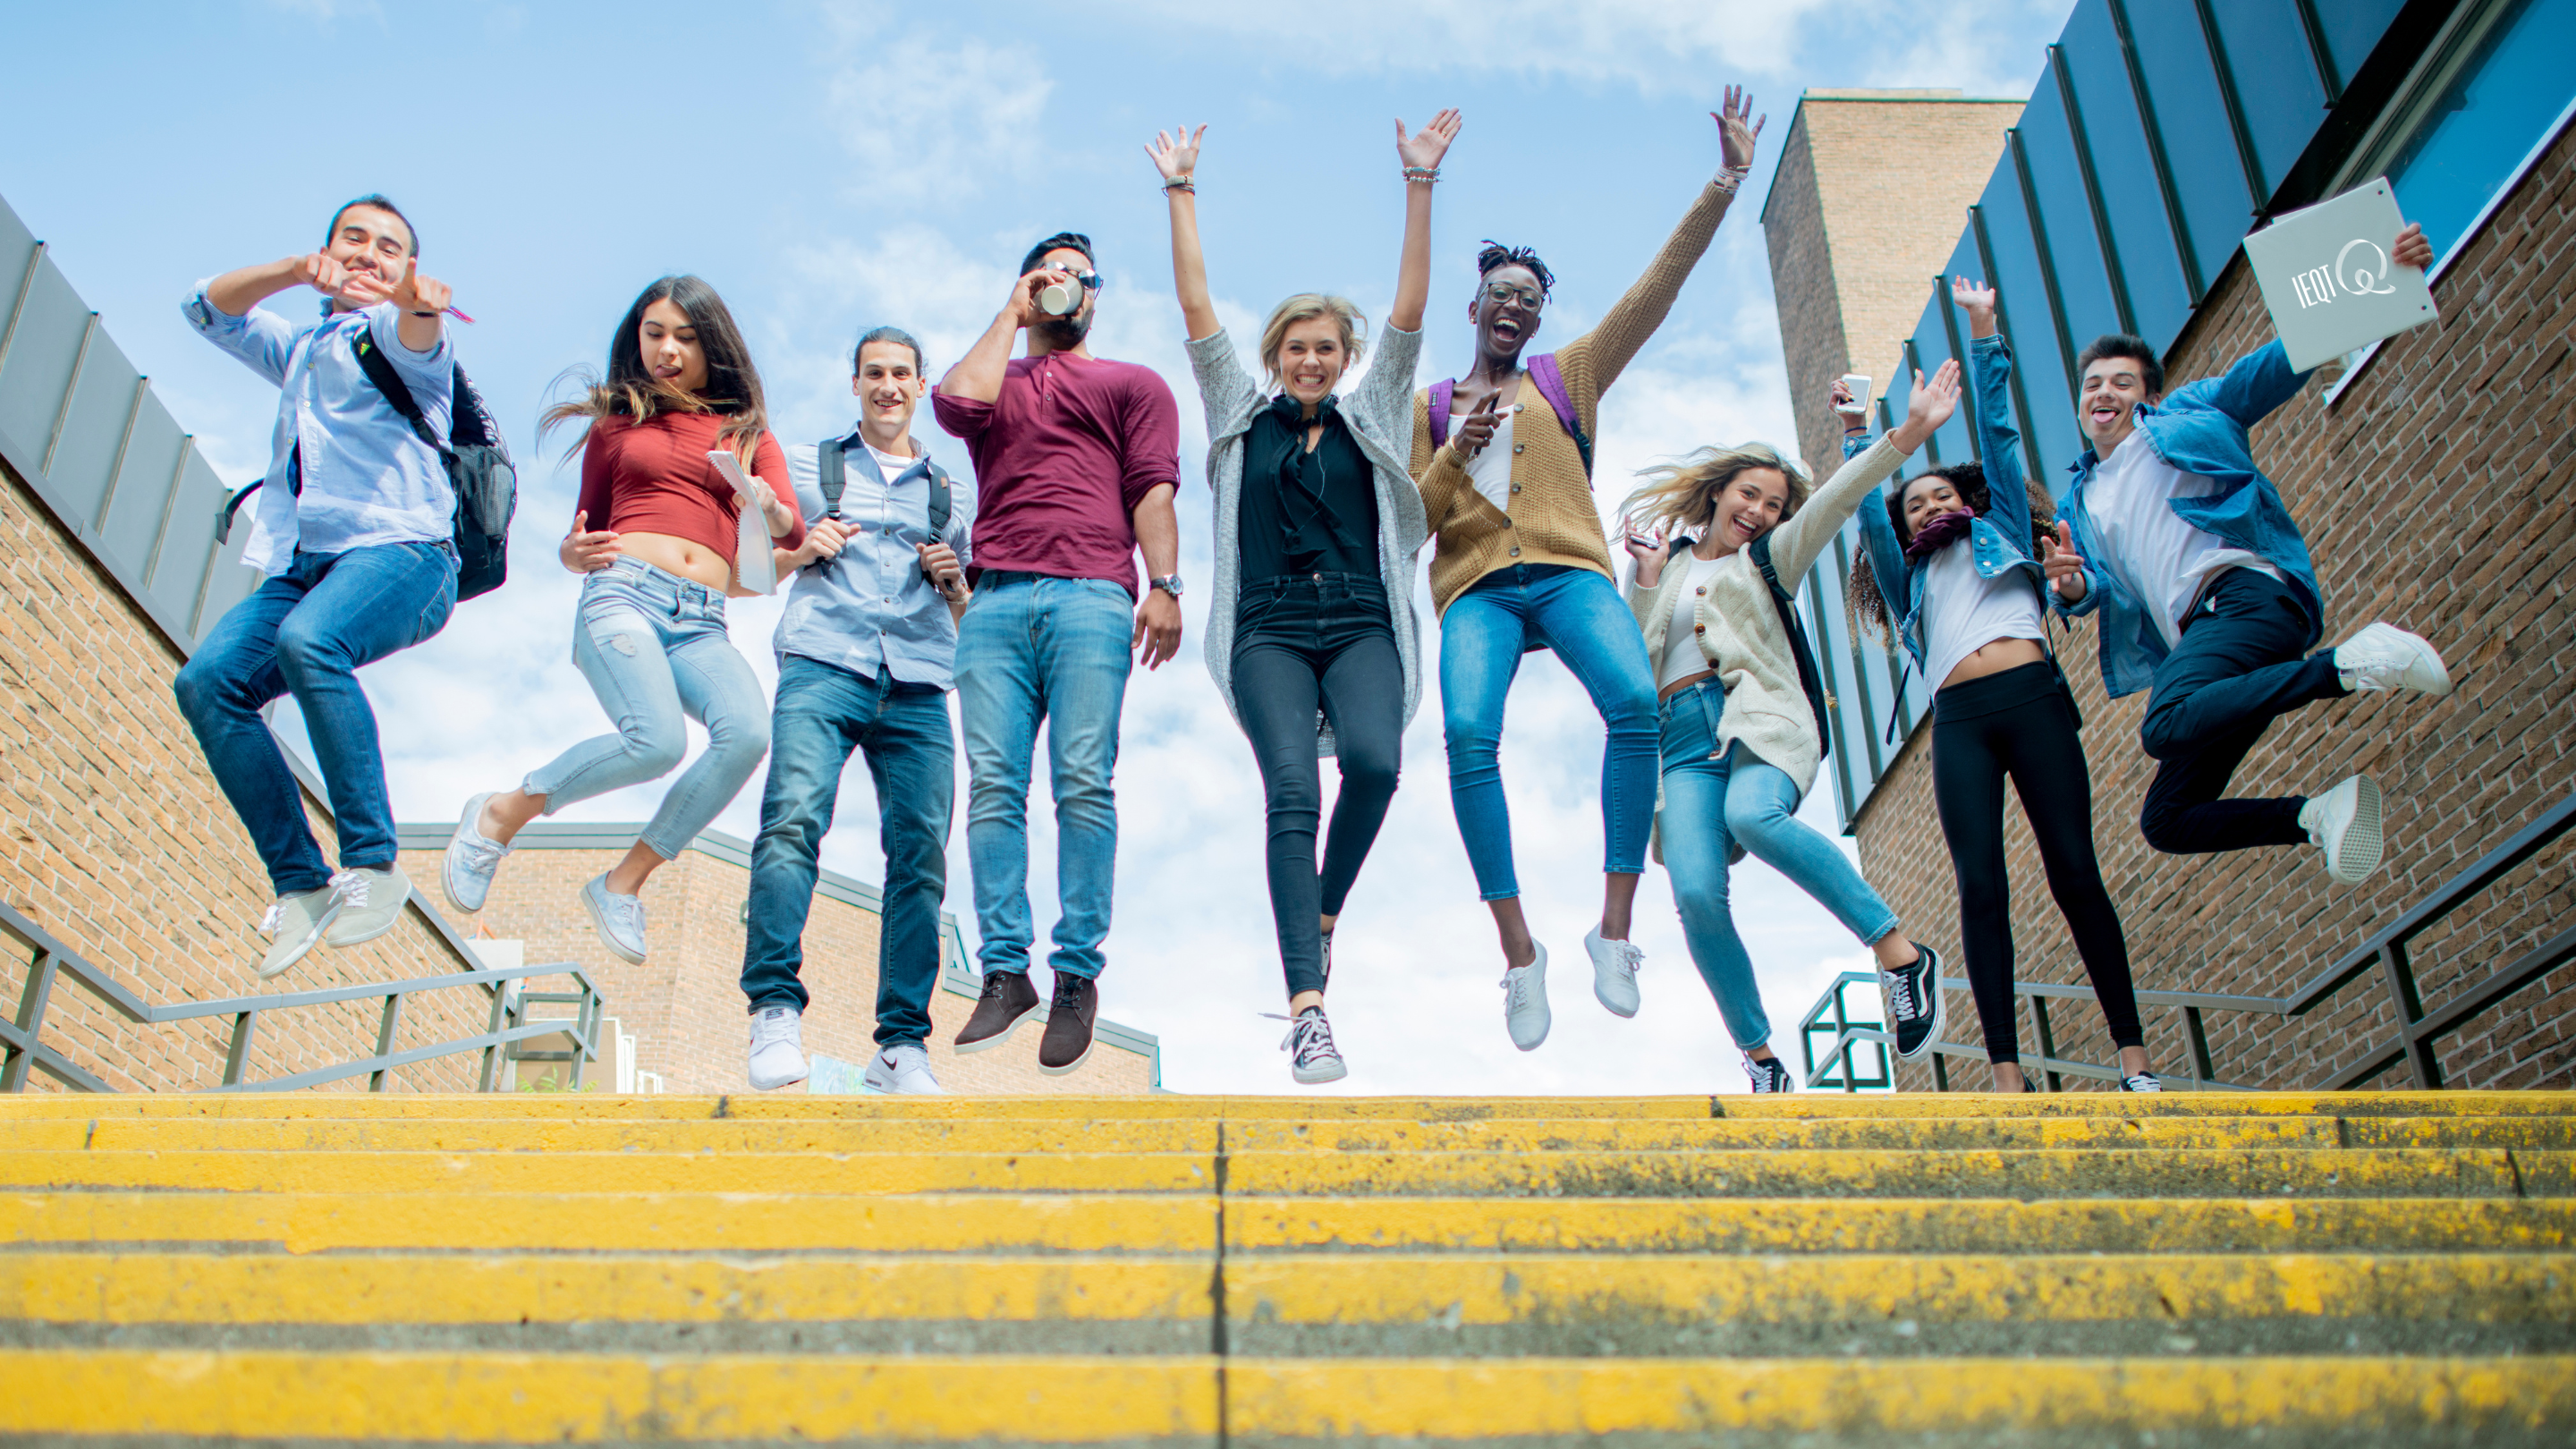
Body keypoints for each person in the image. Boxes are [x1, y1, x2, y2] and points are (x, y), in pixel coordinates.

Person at [1411, 89, 1764, 1053]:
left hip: (1569, 574)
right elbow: (1411, 520)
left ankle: (1613, 932)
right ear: (1473, 306)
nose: (1516, 307)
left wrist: (1725, 181)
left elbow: (1658, 289)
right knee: (1470, 739)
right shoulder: (1433, 402)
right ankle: (1520, 954)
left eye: (1531, 298)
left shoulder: (1571, 375)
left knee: (1634, 705)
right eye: (1503, 294)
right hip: (1478, 590)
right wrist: (1456, 451)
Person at [1150, 109, 1459, 1085]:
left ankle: (1320, 912)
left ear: (1344, 355)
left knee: (1373, 765)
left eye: (1328, 347)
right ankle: (1308, 1009)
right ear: (1277, 351)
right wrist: (1181, 193)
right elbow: (1195, 308)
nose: (1312, 360)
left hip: (1362, 618)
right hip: (1269, 630)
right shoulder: (1241, 416)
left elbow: (1410, 309)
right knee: (1291, 790)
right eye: (1297, 346)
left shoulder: (1372, 411)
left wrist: (1419, 184)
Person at [2055, 225, 2449, 884]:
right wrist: (2071, 592)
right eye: (2093, 384)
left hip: (2247, 595)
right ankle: (2317, 815)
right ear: (2079, 404)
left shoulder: (2185, 416)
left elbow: (2267, 369)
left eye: (2122, 383)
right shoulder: (2081, 498)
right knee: (2167, 819)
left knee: (2165, 724)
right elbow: (2094, 586)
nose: (2105, 393)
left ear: (2147, 397)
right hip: (2210, 646)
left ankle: (2346, 667)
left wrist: (2379, 275)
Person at [1843, 278, 2155, 1093]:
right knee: (1981, 889)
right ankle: (2009, 1074)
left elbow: (2001, 435)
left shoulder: (2006, 528)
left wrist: (1983, 331)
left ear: (1971, 500)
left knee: (2073, 872)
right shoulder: (1908, 580)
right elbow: (1869, 514)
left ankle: (2135, 1058)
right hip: (1962, 722)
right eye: (1916, 504)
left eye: (1942, 494)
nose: (1927, 507)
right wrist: (1858, 435)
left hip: (2033, 704)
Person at [440, 276, 803, 965]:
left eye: (686, 337)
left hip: (703, 619)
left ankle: (621, 885)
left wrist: (765, 500)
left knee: (749, 732)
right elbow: (587, 529)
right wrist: (570, 552)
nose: (667, 349)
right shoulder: (617, 423)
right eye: (654, 333)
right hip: (623, 596)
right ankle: (499, 814)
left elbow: (787, 531)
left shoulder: (748, 434)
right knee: (657, 741)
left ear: (713, 344)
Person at [1621, 362, 1962, 1094]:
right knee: (1696, 892)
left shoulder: (1769, 557)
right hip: (1679, 745)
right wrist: (1646, 578)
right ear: (1718, 493)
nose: (1760, 509)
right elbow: (1637, 655)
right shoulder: (1666, 569)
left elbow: (1836, 501)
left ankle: (1901, 954)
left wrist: (1906, 434)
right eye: (1750, 494)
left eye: (1773, 503)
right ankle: (1761, 1056)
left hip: (1758, 719)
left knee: (1754, 813)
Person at [175, 194, 464, 979]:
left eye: (391, 248)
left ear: (408, 268)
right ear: (327, 254)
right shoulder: (301, 346)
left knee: (311, 642)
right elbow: (205, 310)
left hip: (405, 554)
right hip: (305, 564)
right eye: (353, 240)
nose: (370, 254)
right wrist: (289, 271)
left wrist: (417, 304)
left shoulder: (394, 339)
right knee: (208, 683)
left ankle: (374, 864)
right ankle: (301, 882)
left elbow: (417, 331)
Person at [932, 232, 1183, 1076]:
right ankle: (1006, 972)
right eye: (1052, 275)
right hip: (994, 600)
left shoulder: (1131, 384)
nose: (1065, 286)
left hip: (1090, 597)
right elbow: (953, 408)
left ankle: (1076, 975)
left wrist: (1167, 584)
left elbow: (1150, 487)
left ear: (1099, 295)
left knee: (1082, 778)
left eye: (1081, 276)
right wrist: (1013, 307)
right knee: (995, 784)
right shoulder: (993, 378)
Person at [735, 327, 974, 1095]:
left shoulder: (953, 491)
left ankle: (901, 1046)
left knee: (921, 861)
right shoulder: (808, 467)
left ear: (920, 382)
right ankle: (773, 1009)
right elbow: (749, 571)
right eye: (874, 372)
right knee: (793, 821)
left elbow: (977, 620)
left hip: (918, 682)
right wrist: (802, 551)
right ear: (855, 383)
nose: (888, 386)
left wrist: (956, 584)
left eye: (901, 373)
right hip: (823, 665)